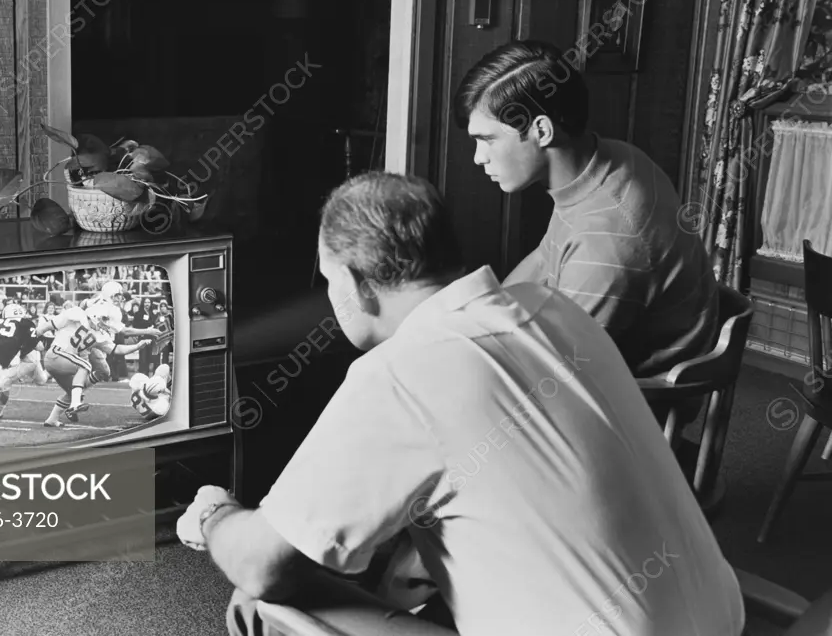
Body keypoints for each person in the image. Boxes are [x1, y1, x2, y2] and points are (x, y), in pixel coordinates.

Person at [176, 171, 744, 636]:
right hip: (724, 618)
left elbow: (261, 563)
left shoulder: (398, 374)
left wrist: (212, 512)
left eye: (328, 280)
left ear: (356, 282)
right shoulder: (551, 307)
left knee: (265, 598)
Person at [454, 39, 718, 379]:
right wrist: (486, 317)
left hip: (637, 394)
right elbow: (544, 257)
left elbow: (559, 373)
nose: (478, 157)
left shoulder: (607, 242)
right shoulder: (610, 159)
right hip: (599, 352)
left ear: (542, 131)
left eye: (488, 140)